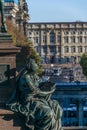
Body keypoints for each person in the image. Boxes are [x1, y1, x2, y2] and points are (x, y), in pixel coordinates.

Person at [6, 57, 63, 130]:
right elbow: (38, 92)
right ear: (30, 66)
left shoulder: (34, 75)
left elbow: (39, 86)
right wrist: (51, 91)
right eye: (35, 64)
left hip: (37, 99)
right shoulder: (26, 78)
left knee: (56, 106)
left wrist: (47, 85)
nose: (37, 65)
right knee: (47, 112)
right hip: (29, 101)